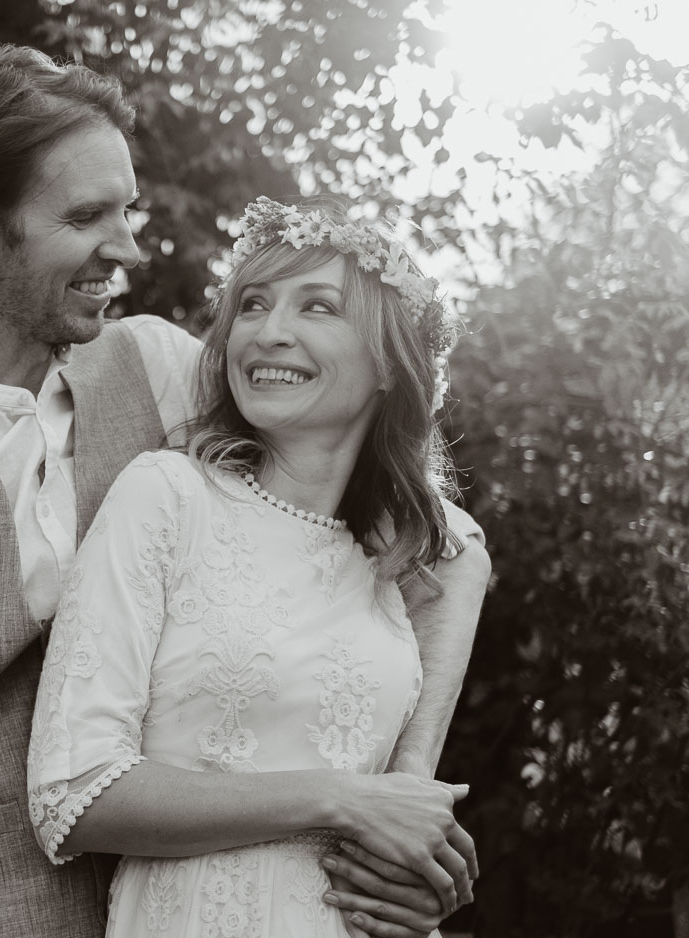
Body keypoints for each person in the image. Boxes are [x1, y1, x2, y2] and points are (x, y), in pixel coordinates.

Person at [0, 42, 488, 938]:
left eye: (126, 209)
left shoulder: (159, 369)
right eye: (87, 217)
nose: (125, 247)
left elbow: (445, 548)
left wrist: (400, 815)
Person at [27, 197, 480, 938]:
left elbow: (468, 556)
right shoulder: (167, 494)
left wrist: (421, 865)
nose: (270, 333)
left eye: (318, 308)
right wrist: (346, 800)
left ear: (389, 363)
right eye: (253, 305)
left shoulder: (398, 557)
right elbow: (71, 794)